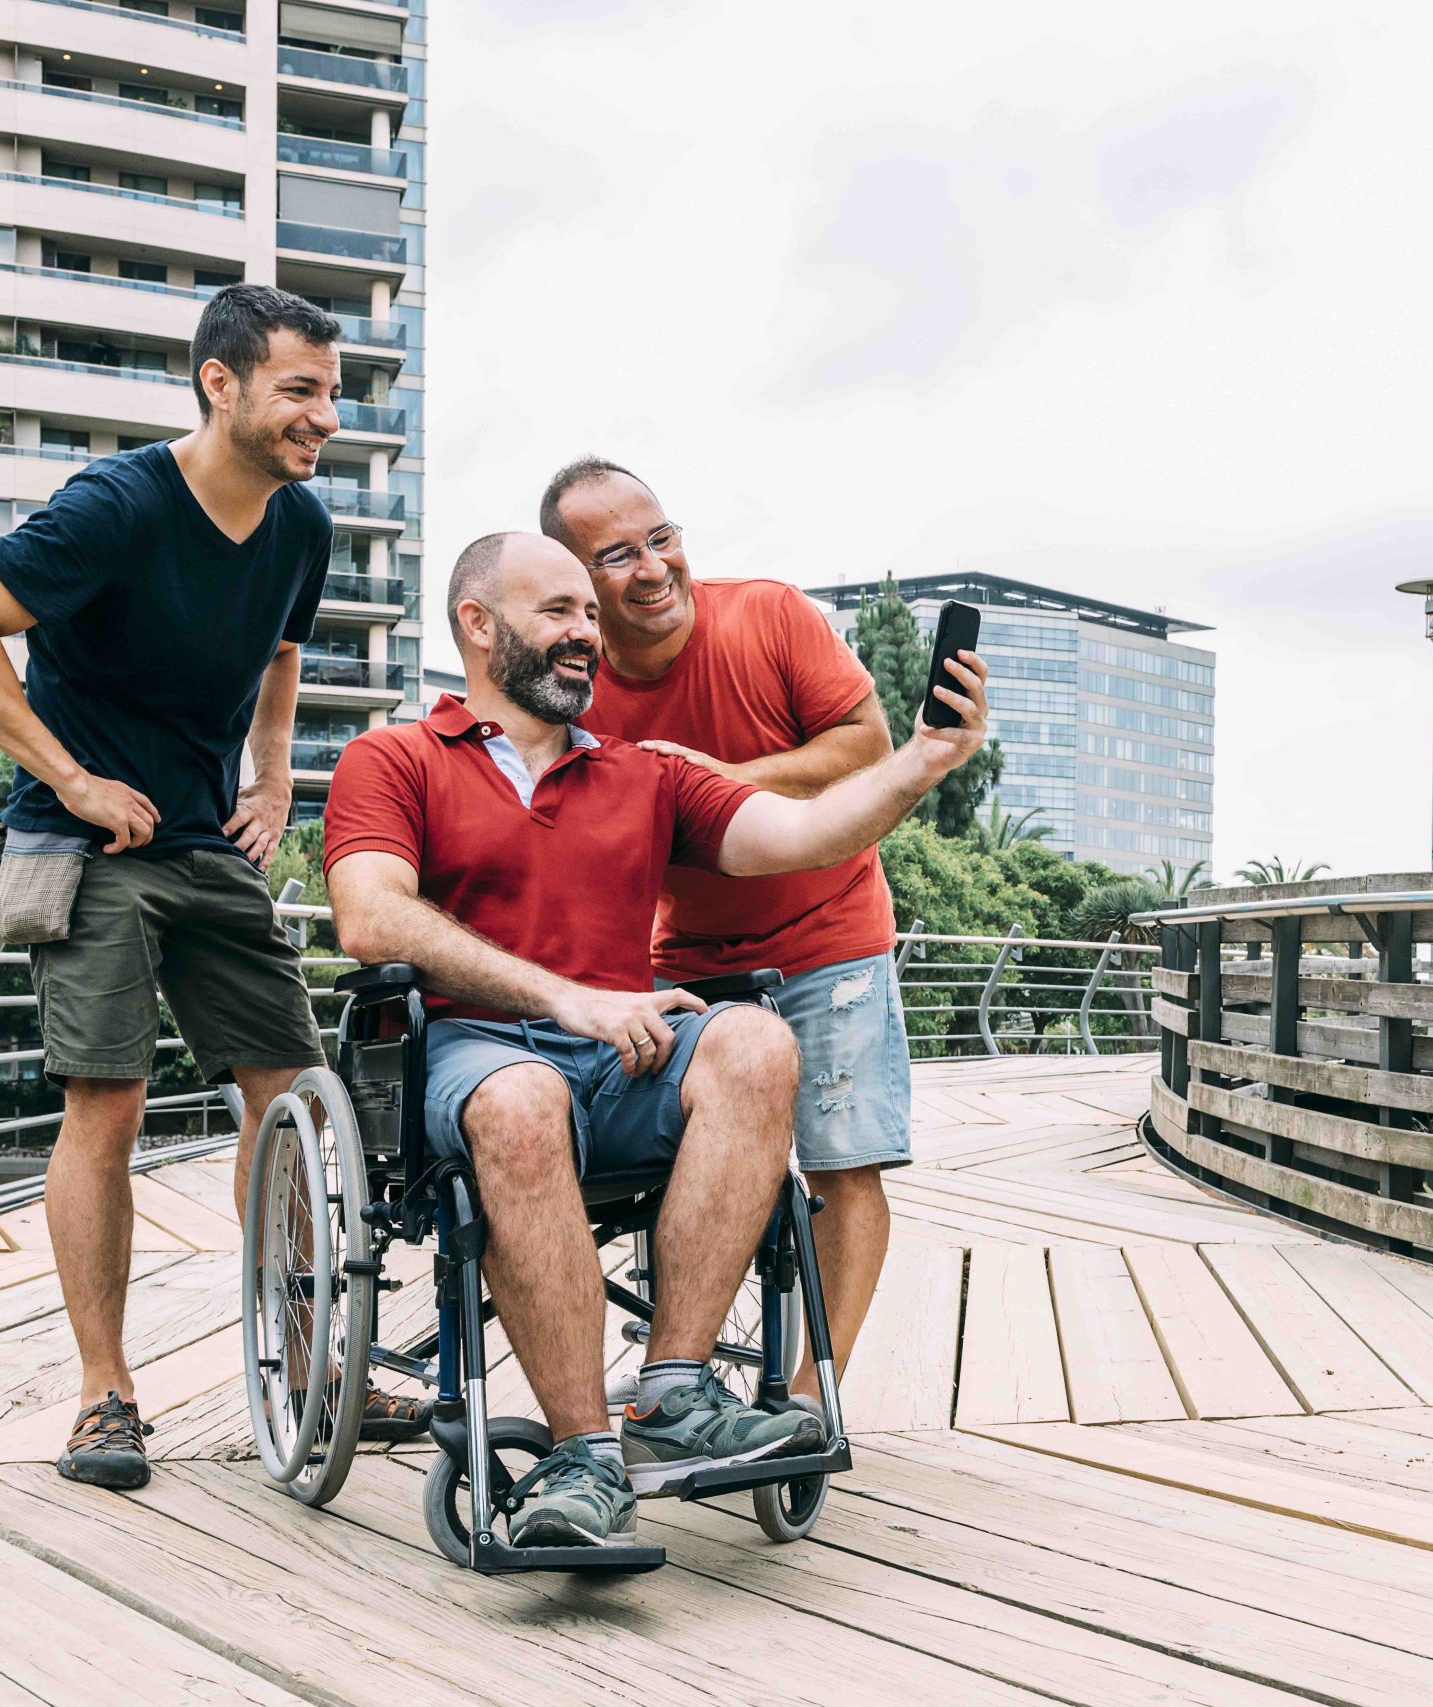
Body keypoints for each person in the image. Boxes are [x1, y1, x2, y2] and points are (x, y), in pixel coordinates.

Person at [321, 530, 989, 1548]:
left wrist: (922, 762)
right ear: (476, 624)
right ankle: (581, 1456)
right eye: (558, 612)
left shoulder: (645, 776)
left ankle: (672, 1393)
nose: (588, 632)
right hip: (475, 1056)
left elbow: (802, 835)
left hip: (621, 1058)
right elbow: (369, 916)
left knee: (756, 1043)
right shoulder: (396, 758)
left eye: (590, 614)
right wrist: (563, 997)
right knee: (519, 1099)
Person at [0, 284, 403, 1492]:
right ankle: (105, 1397)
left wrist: (274, 781)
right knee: (109, 1104)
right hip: (88, 848)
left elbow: (283, 650)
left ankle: (305, 1356)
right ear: (219, 383)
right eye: (300, 390)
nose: (324, 417)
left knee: (291, 1096)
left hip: (206, 843)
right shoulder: (117, 507)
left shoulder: (302, 523)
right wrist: (70, 779)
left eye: (332, 394)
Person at [539, 459, 907, 1416]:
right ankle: (680, 1365)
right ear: (578, 581)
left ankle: (807, 1393)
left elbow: (866, 747)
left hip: (833, 934)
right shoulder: (574, 688)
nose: (655, 568)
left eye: (662, 537)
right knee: (671, 1163)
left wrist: (718, 772)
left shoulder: (769, 615)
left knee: (842, 1164)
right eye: (618, 555)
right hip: (690, 958)